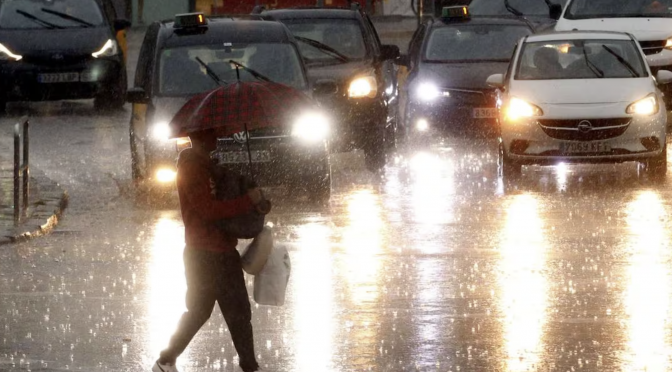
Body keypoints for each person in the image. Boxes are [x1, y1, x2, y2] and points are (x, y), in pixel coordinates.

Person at [152, 129, 267, 372]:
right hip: (205, 254)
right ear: (199, 137)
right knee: (212, 311)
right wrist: (246, 201)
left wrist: (251, 194)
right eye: (210, 134)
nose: (215, 138)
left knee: (228, 312)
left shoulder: (207, 166)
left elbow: (222, 202)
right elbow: (209, 210)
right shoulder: (192, 169)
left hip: (220, 250)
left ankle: (167, 359)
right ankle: (166, 359)